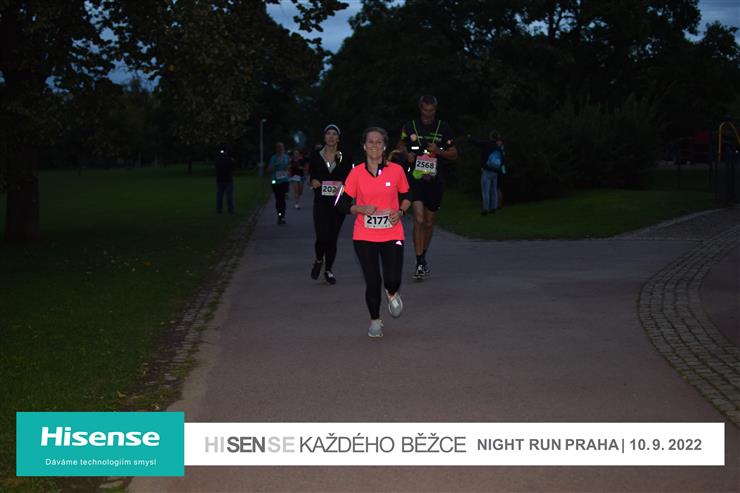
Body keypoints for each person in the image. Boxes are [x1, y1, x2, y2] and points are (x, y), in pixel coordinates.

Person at [336, 127, 411, 338]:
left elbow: (408, 195)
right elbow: (341, 203)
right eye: (371, 141)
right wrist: (359, 208)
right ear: (364, 146)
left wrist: (400, 211)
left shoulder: (396, 170)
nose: (375, 145)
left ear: (385, 146)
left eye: (379, 142)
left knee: (392, 279)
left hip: (392, 233)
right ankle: (375, 321)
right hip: (364, 235)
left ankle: (392, 292)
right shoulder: (356, 173)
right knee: (373, 281)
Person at [397, 95, 458, 280]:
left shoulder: (443, 127)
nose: (428, 114)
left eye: (431, 111)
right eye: (425, 110)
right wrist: (406, 154)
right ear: (420, 108)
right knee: (419, 219)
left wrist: (438, 151)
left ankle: (423, 256)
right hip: (415, 179)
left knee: (429, 222)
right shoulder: (410, 126)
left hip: (435, 180)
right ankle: (418, 262)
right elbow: (400, 145)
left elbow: (454, 154)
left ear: (435, 110)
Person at [307, 124, 352, 285]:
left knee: (332, 238)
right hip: (321, 202)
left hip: (338, 203)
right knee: (322, 237)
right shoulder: (316, 155)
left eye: (334, 134)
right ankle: (319, 259)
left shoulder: (344, 156)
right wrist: (313, 181)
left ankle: (328, 270)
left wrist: (345, 187)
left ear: (338, 138)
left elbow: (350, 177)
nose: (331, 136)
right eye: (328, 134)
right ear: (324, 137)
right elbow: (312, 174)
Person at [470, 130, 505, 215]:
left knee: (485, 190)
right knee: (494, 190)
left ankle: (485, 209)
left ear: (491, 137)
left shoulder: (488, 144)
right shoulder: (498, 147)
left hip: (487, 170)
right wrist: (501, 170)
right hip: (495, 171)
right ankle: (494, 208)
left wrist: (470, 138)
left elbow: (478, 142)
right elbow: (502, 160)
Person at [267, 141, 290, 224]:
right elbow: (269, 170)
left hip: (285, 180)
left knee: (282, 199)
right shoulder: (273, 158)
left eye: (281, 147)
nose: (280, 149)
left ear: (283, 148)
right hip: (276, 181)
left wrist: (287, 168)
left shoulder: (286, 157)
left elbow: (288, 167)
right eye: (278, 147)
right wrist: (276, 164)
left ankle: (282, 216)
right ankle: (279, 215)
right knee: (278, 199)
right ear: (276, 149)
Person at [214, 143, 236, 214]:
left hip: (220, 180)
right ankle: (230, 210)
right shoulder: (229, 159)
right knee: (229, 196)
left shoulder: (217, 159)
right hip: (228, 180)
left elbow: (216, 168)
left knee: (219, 195)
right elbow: (233, 167)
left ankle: (219, 209)